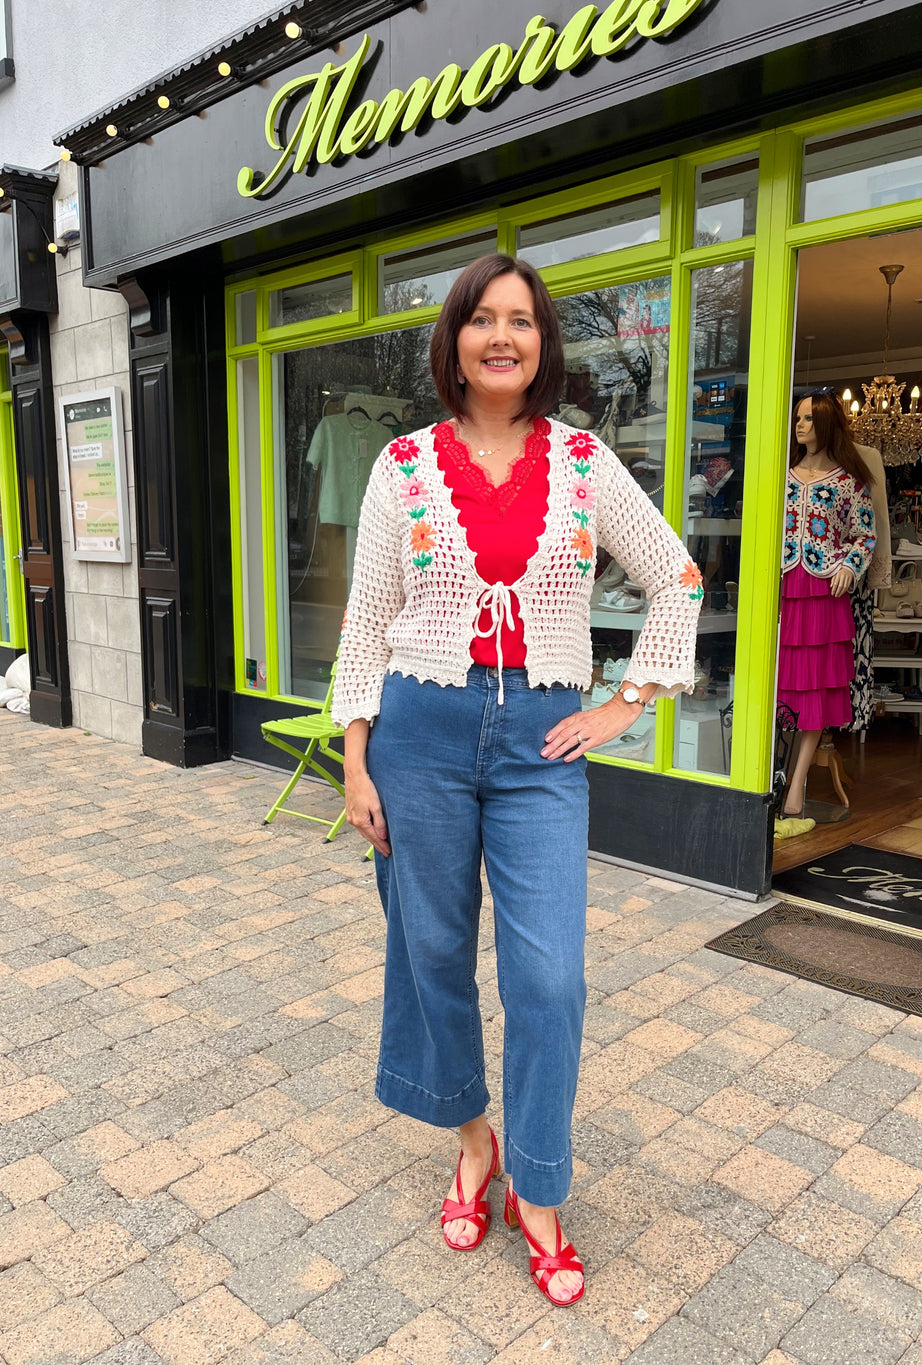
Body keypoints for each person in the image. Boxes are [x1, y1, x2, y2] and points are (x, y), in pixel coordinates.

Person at [331, 254, 703, 1306]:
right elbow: (366, 617)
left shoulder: (583, 461)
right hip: (418, 733)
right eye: (482, 319)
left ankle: (538, 1187)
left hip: (542, 739)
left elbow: (676, 576)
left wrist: (625, 702)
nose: (502, 336)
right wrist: (354, 758)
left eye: (523, 321)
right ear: (452, 340)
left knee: (549, 980)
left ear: (543, 345)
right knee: (431, 950)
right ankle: (473, 1143)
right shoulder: (402, 465)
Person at [780, 391, 876, 817]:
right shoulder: (780, 475)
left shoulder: (849, 482)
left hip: (824, 594)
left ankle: (797, 783)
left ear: (826, 424)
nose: (800, 426)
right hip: (782, 588)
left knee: (815, 689)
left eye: (808, 419)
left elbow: (865, 536)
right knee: (779, 684)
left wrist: (850, 566)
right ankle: (774, 775)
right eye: (797, 418)